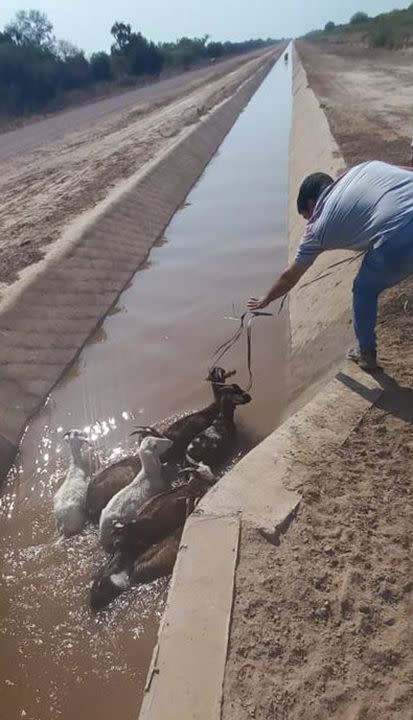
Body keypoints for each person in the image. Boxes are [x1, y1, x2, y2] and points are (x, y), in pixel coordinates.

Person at [248, 161, 413, 371]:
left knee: (364, 290)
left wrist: (266, 299)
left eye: (306, 216)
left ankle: (366, 354)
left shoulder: (316, 228)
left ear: (310, 203)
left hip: (401, 236)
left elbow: (290, 276)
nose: (308, 222)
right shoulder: (361, 169)